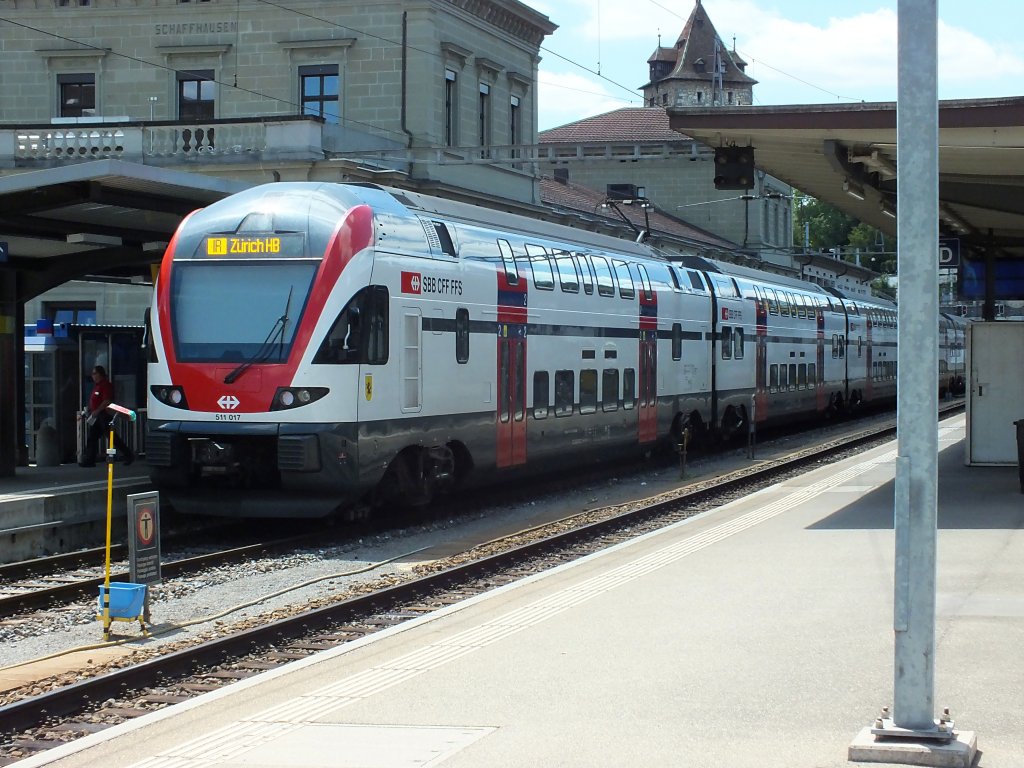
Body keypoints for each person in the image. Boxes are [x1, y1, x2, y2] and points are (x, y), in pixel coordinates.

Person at [79, 365, 134, 467]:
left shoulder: (105, 385)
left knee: (112, 437)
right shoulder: (97, 386)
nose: (93, 376)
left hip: (104, 415)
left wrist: (98, 410)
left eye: (95, 373)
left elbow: (107, 401)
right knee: (93, 437)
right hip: (97, 416)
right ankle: (90, 460)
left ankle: (128, 455)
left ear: (100, 374)